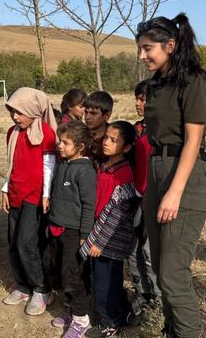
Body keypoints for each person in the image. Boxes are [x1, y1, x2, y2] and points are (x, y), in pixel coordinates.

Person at [136, 13, 206, 338]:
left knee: (172, 273)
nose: (142, 56)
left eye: (147, 48)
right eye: (139, 48)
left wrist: (174, 191)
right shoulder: (155, 84)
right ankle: (171, 330)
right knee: (158, 264)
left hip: (184, 174)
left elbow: (193, 140)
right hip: (156, 172)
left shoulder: (193, 81)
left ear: (170, 45)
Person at [0, 87, 59, 316]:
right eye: (12, 111)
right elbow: (12, 165)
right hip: (16, 192)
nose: (15, 117)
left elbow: (49, 167)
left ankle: (42, 288)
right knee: (13, 241)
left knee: (28, 242)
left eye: (19, 112)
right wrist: (5, 189)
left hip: (34, 197)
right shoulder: (11, 133)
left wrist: (46, 194)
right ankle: (23, 285)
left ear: (33, 110)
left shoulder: (45, 133)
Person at [81, 121, 141, 337]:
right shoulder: (105, 166)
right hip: (100, 231)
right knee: (109, 279)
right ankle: (123, 313)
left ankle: (109, 324)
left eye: (113, 140)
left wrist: (100, 241)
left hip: (110, 238)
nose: (106, 142)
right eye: (106, 137)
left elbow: (117, 214)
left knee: (105, 283)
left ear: (126, 147)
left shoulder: (123, 174)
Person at [46, 120, 97, 338]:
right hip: (56, 228)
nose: (60, 145)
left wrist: (84, 236)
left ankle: (81, 320)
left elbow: (89, 205)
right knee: (61, 271)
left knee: (73, 276)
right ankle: (69, 310)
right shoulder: (63, 164)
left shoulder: (85, 171)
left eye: (66, 143)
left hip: (73, 233)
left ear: (81, 146)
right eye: (60, 141)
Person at [127, 79, 160, 310]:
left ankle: (158, 297)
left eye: (143, 99)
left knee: (150, 251)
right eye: (137, 98)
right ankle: (142, 291)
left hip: (156, 199)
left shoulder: (164, 131)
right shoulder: (137, 129)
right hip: (136, 198)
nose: (139, 103)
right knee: (133, 249)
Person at [83, 91, 113, 164]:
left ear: (107, 116)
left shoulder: (113, 140)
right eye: (86, 112)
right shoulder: (81, 135)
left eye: (93, 113)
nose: (87, 117)